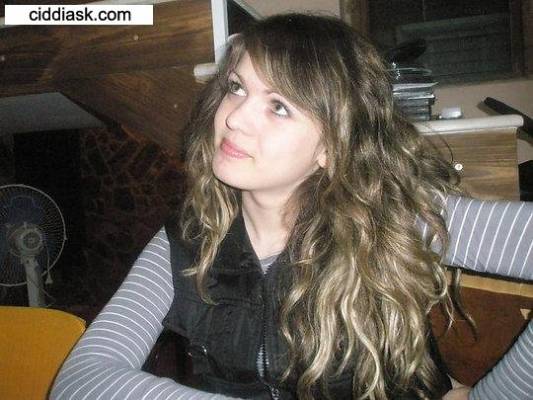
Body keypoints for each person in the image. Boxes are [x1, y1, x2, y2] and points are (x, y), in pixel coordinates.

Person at [50, 13, 533, 400]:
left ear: (332, 146)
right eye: (237, 87)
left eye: (278, 106)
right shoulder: (187, 240)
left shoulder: (392, 217)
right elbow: (81, 379)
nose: (234, 118)